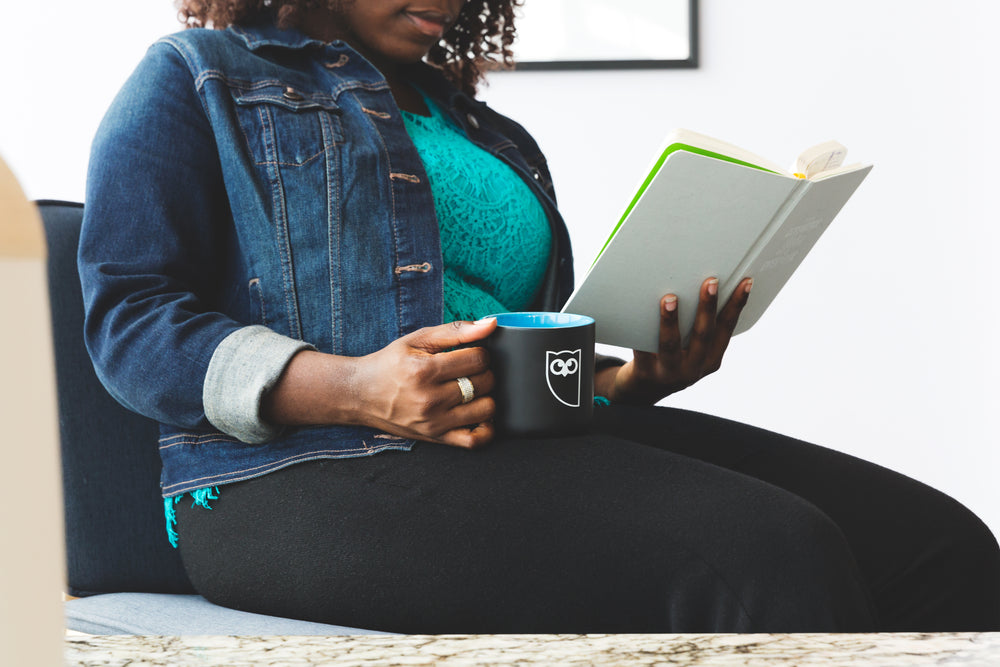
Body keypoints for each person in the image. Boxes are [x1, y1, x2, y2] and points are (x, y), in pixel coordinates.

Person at [79, 0, 1000, 634]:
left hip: (510, 447)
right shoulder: (196, 79)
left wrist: (630, 380)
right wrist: (358, 387)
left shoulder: (482, 129)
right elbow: (129, 316)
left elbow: (509, 349)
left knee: (939, 542)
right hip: (288, 480)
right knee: (769, 555)